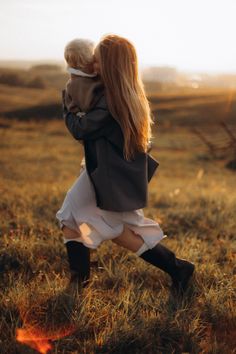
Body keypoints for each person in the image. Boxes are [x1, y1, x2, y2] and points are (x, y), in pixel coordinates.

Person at [56, 34, 195, 295]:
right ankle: (177, 268)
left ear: (109, 65)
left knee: (70, 216)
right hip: (107, 172)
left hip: (108, 174)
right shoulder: (121, 93)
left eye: (96, 61)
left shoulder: (111, 101)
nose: (91, 66)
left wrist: (67, 106)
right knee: (118, 230)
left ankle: (79, 283)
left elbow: (81, 129)